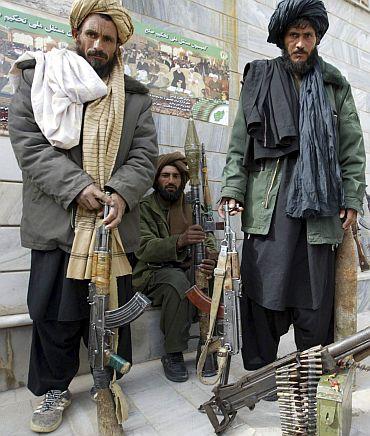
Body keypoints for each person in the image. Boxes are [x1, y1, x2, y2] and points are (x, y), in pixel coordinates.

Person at [8, 0, 158, 432]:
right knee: (54, 314)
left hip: (110, 226)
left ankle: (106, 382)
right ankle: (54, 391)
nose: (98, 44)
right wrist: (77, 188)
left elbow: (145, 156)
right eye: (91, 35)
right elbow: (28, 143)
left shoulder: (134, 97)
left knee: (110, 314)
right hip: (58, 222)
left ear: (118, 45)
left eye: (107, 39)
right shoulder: (40, 78)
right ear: (78, 34)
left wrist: (118, 193)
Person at [218, 0, 365, 391]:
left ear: (317, 39)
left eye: (307, 36)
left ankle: (311, 374)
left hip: (319, 211)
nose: (300, 43)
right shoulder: (262, 76)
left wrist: (352, 197)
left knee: (315, 299)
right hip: (270, 204)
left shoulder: (334, 85)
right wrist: (233, 187)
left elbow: (352, 148)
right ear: (283, 38)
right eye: (293, 35)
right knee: (265, 290)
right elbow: (238, 144)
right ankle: (264, 376)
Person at [132, 152, 217, 382]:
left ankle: (207, 345)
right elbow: (144, 248)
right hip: (153, 272)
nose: (171, 181)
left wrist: (210, 256)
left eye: (176, 177)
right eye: (165, 176)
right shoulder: (144, 207)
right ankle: (173, 353)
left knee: (217, 279)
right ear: (156, 179)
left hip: (188, 266)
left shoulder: (192, 205)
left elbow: (208, 238)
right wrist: (180, 241)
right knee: (176, 282)